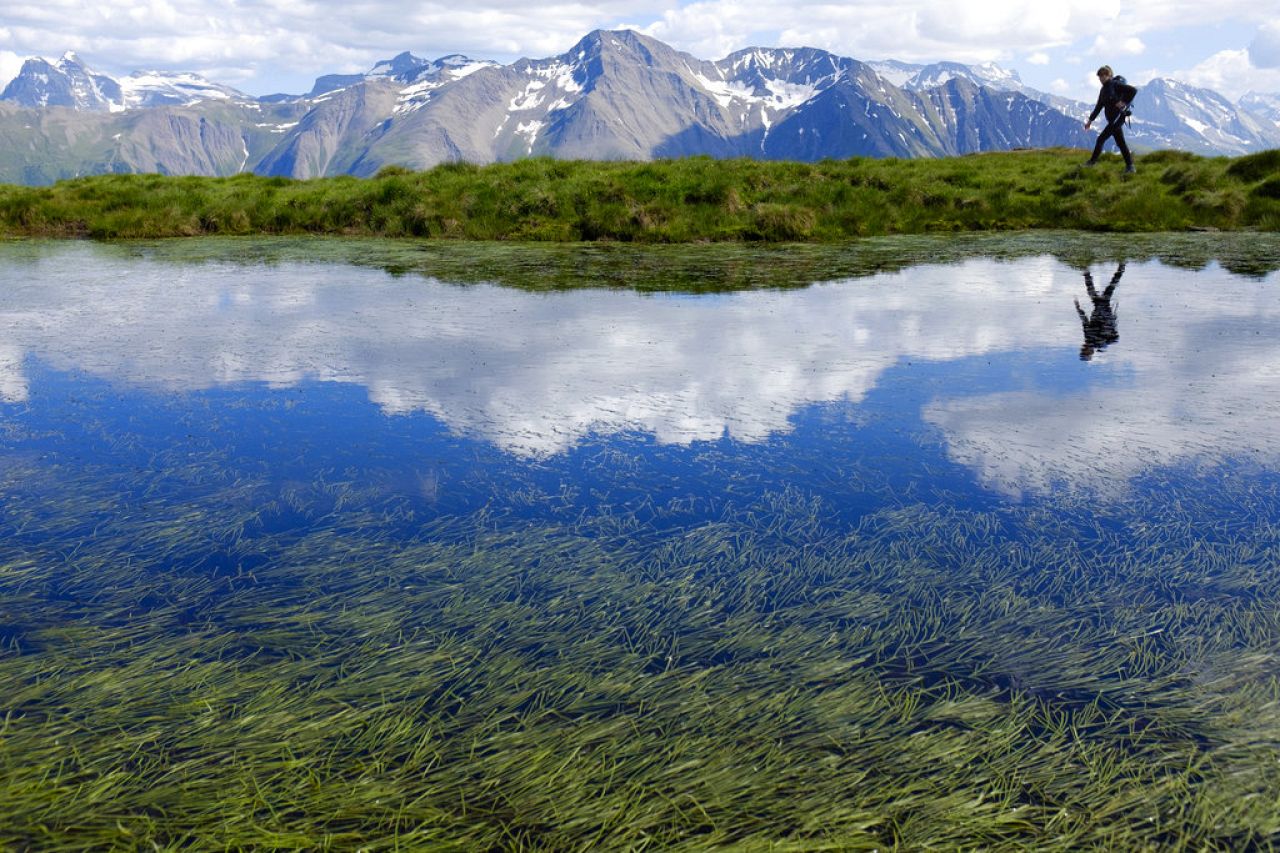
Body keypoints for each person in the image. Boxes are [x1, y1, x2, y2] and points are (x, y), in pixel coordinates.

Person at [1083, 66, 1138, 173]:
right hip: (1112, 119)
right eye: (1100, 76)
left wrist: (1124, 102)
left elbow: (1133, 90)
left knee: (1101, 139)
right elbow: (1099, 106)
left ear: (1110, 75)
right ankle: (1130, 167)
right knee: (1121, 143)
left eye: (1104, 75)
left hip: (1117, 118)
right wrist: (1090, 121)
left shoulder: (1115, 85)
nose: (1102, 78)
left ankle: (1091, 162)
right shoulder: (1103, 90)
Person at [1075, 263, 1123, 360]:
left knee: (1108, 287)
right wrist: (1078, 308)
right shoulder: (1098, 342)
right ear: (1090, 352)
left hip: (1100, 308)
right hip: (1104, 310)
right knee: (1109, 287)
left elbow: (1085, 321)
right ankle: (1121, 267)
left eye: (1082, 349)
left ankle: (1086, 270)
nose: (1083, 347)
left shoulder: (1090, 338)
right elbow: (1085, 321)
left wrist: (1078, 308)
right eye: (1084, 350)